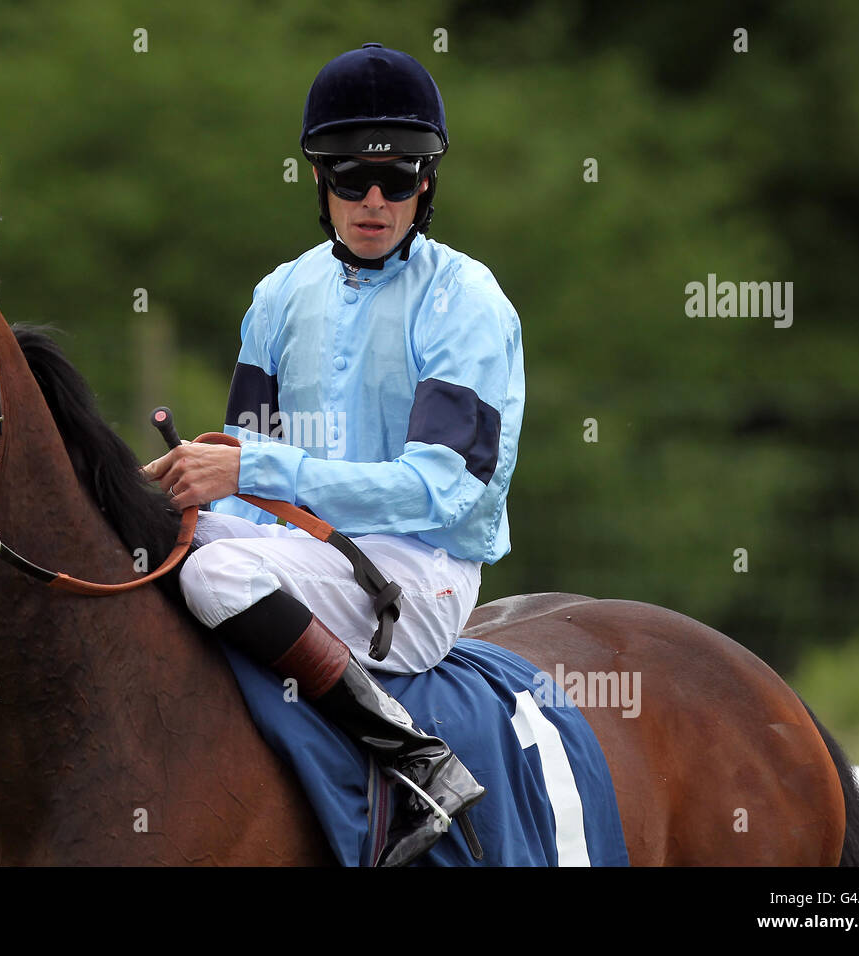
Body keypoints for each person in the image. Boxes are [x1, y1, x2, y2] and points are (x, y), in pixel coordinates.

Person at [142, 43, 525, 867]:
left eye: (399, 179)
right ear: (318, 179)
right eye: (352, 178)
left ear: (428, 183)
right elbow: (247, 479)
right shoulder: (280, 294)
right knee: (145, 541)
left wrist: (249, 471)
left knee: (215, 575)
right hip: (297, 550)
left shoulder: (467, 302)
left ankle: (416, 763)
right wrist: (177, 496)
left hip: (421, 573)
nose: (375, 201)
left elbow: (438, 491)